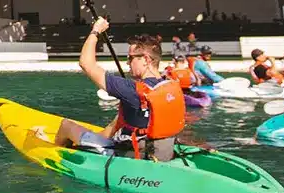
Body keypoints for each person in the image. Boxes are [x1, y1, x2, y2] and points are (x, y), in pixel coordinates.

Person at [48, 18, 185, 161]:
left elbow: (86, 63)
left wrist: (96, 31)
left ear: (146, 59)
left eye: (130, 58)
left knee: (66, 125)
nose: (127, 62)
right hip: (161, 153)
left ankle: (56, 155)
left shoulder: (131, 89)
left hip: (132, 156)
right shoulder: (167, 85)